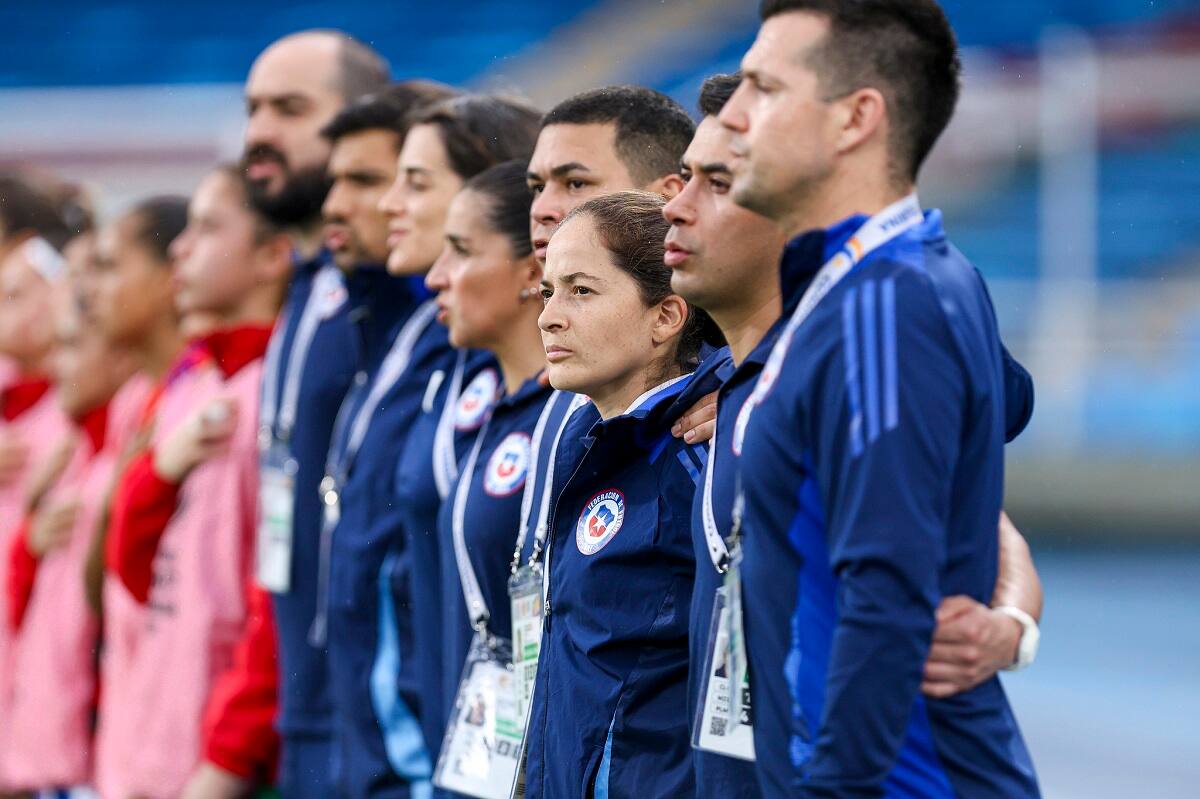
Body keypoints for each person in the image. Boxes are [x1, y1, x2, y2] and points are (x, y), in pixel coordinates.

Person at [665, 72, 1045, 797]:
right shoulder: (711, 374)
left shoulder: (865, 329)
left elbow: (974, 513)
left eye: (716, 180)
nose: (676, 210)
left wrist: (1012, 625)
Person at [320, 93, 537, 799]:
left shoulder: (533, 384)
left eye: (415, 182)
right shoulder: (436, 353)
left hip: (447, 759)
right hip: (423, 755)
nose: (388, 204)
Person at [246, 43, 449, 792]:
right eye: (253, 109)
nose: (260, 131)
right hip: (316, 715)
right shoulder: (319, 291)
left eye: (289, 109)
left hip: (387, 737)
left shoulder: (415, 313)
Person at [99, 167, 290, 799]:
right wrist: (154, 470)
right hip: (157, 743)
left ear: (272, 255)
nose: (182, 247)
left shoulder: (278, 393)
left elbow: (274, 604)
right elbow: (130, 569)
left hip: (229, 762)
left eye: (207, 229)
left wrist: (231, 755)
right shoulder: (195, 385)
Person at [523, 191, 718, 798]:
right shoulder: (579, 436)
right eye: (549, 291)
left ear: (666, 317)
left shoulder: (706, 456)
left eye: (581, 290)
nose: (549, 316)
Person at [420, 160, 573, 797]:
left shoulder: (573, 420)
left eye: (459, 251)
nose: (436, 276)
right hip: (475, 745)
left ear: (530, 275)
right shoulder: (487, 407)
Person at [0, 278, 137, 795]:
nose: (60, 364)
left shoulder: (104, 451)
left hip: (91, 754)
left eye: (73, 346)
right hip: (46, 750)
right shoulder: (75, 452)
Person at [87, 195, 200, 799]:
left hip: (184, 742)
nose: (90, 291)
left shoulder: (206, 398)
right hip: (132, 733)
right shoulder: (138, 399)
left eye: (110, 266)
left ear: (166, 279)